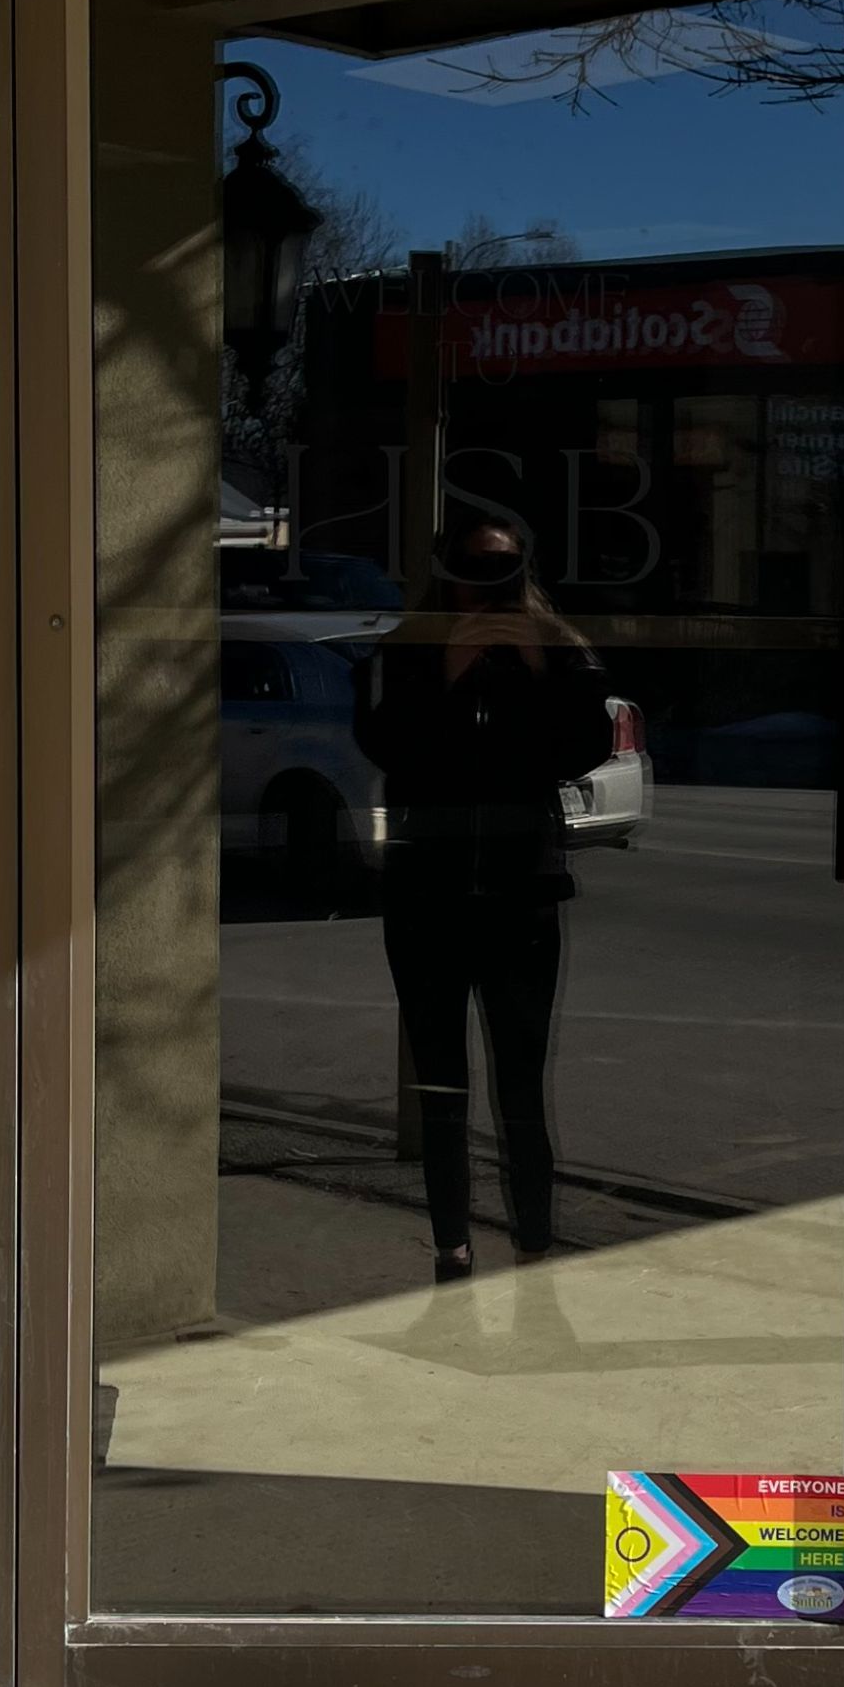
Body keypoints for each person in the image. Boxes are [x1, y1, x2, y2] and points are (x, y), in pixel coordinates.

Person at [355, 505, 613, 1281]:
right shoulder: (409, 647)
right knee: (440, 1087)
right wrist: (447, 671)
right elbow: (384, 745)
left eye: (503, 568)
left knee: (521, 1084)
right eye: (474, 567)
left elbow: (583, 748)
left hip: (519, 895)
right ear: (446, 572)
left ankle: (534, 1245)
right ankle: (451, 1249)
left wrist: (536, 670)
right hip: (426, 899)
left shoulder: (554, 647)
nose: (488, 585)